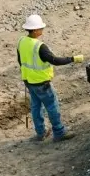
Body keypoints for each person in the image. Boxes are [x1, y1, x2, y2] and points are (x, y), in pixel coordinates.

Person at [17, 14, 83, 142]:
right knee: (52, 107)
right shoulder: (39, 46)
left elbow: (20, 61)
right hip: (42, 83)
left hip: (29, 82)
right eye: (41, 28)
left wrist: (28, 76)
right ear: (35, 30)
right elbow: (54, 60)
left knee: (36, 107)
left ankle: (40, 133)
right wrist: (73, 59)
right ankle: (59, 132)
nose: (42, 30)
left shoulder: (21, 41)